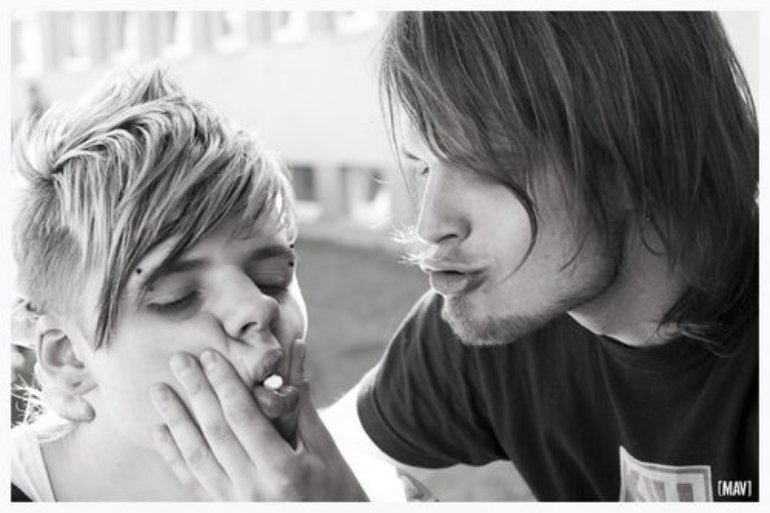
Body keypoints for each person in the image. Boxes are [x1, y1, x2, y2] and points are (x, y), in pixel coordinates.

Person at [44, 12, 758, 502]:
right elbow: (349, 448)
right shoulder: (491, 329)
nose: (429, 224)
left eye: (482, 162)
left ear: (633, 148)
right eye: (420, 166)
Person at [9, 67, 373, 501]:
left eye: (273, 278)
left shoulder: (353, 486)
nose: (258, 308)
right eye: (176, 297)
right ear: (68, 355)